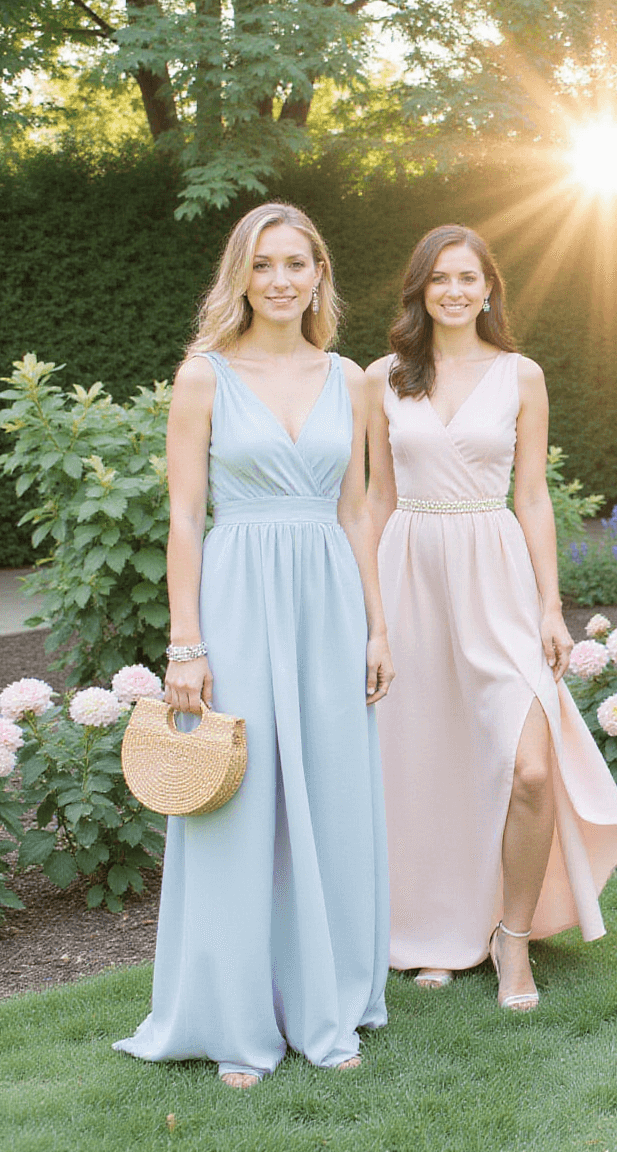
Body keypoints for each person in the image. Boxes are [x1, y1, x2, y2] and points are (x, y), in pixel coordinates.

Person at [116, 203, 392, 1087]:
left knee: (332, 796)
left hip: (328, 598)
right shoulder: (203, 375)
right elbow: (186, 517)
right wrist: (185, 643)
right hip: (236, 598)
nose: (281, 279)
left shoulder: (351, 379)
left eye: (297, 263)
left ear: (320, 275)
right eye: (264, 264)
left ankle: (327, 1000)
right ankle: (236, 1016)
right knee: (238, 802)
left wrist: (378, 625)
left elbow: (357, 511)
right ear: (241, 274)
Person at [367, 225, 617, 1009]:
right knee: (424, 765)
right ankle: (435, 932)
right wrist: (375, 620)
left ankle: (511, 939)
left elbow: (533, 497)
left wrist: (551, 605)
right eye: (440, 278)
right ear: (419, 288)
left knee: (529, 768)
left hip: (498, 575)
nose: (455, 290)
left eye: (469, 277)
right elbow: (376, 499)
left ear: (490, 288)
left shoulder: (522, 375)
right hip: (410, 571)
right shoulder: (382, 378)